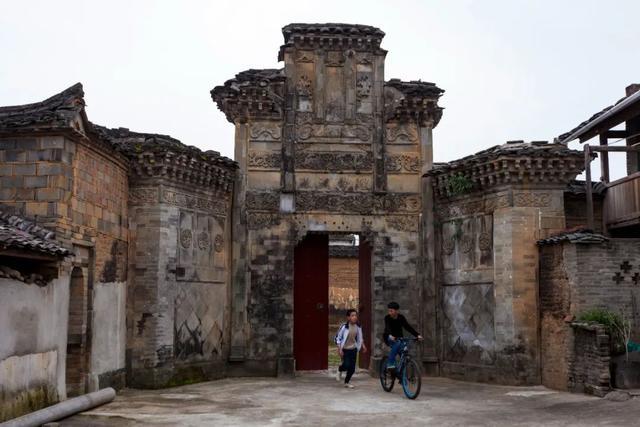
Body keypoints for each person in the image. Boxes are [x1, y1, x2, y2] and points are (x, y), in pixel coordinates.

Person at [383, 301, 422, 370]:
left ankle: (403, 378)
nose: (390, 313)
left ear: (397, 311)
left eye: (391, 311)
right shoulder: (387, 318)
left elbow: (407, 327)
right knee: (397, 343)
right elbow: (387, 328)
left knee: (403, 354)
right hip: (389, 337)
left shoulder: (401, 317)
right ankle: (390, 363)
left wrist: (417, 335)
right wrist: (390, 335)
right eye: (389, 311)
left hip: (399, 338)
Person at [335, 309, 367, 388]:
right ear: (348, 317)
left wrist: (363, 346)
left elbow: (360, 337)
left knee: (352, 368)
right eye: (352, 315)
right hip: (345, 349)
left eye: (355, 315)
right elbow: (338, 338)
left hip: (353, 349)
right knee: (346, 365)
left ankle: (346, 382)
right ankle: (340, 369)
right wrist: (340, 349)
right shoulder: (344, 327)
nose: (354, 317)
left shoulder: (358, 326)